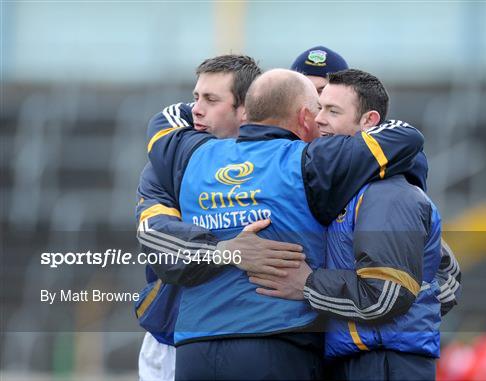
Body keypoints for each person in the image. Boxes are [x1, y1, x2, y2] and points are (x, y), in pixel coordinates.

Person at [143, 68, 423, 380]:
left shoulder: (190, 154)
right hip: (278, 343)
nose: (320, 120)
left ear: (247, 111)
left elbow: (162, 122)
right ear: (305, 117)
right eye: (318, 110)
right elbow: (405, 136)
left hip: (194, 349)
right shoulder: (314, 160)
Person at [248, 69, 461, 381]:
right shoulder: (352, 190)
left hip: (384, 362)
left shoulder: (387, 192)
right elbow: (440, 277)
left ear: (369, 122)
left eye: (333, 111)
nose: (320, 119)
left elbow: (390, 294)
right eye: (319, 108)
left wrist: (309, 284)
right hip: (363, 357)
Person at [136, 55, 307, 381]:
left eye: (211, 100)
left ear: (246, 110)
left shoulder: (285, 162)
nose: (196, 109)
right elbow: (156, 238)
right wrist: (228, 250)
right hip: (173, 341)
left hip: (267, 343)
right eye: (196, 97)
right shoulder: (165, 168)